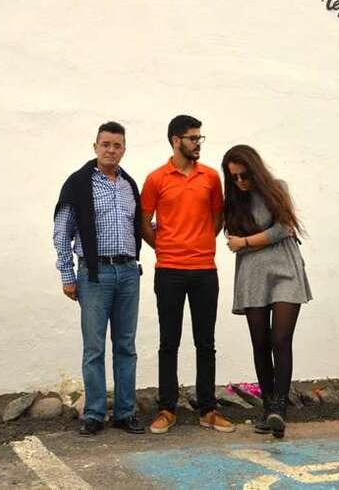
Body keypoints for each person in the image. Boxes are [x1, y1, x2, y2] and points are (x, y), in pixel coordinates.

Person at [140, 114, 235, 434]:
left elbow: (218, 218)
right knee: (169, 342)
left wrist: (201, 242)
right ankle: (167, 409)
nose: (198, 143)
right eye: (193, 138)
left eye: (199, 138)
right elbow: (143, 222)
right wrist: (165, 247)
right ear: (175, 140)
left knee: (205, 342)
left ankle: (208, 409)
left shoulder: (211, 178)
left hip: (204, 270)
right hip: (168, 271)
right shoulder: (156, 179)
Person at [53, 121, 145, 436]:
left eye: (117, 145)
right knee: (94, 348)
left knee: (126, 346)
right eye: (105, 144)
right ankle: (93, 414)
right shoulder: (78, 183)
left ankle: (125, 413)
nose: (111, 150)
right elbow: (61, 233)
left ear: (124, 149)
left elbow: (138, 227)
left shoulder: (129, 185)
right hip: (95, 274)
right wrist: (67, 275)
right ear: (95, 147)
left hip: (129, 272)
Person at [221, 145, 312, 438]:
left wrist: (247, 242)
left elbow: (283, 229)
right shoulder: (233, 201)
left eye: (244, 175)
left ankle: (279, 409)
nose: (240, 181)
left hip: (285, 269)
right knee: (260, 342)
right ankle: (268, 409)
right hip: (252, 275)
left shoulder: (277, 188)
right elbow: (230, 238)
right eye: (234, 177)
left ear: (255, 169)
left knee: (281, 339)